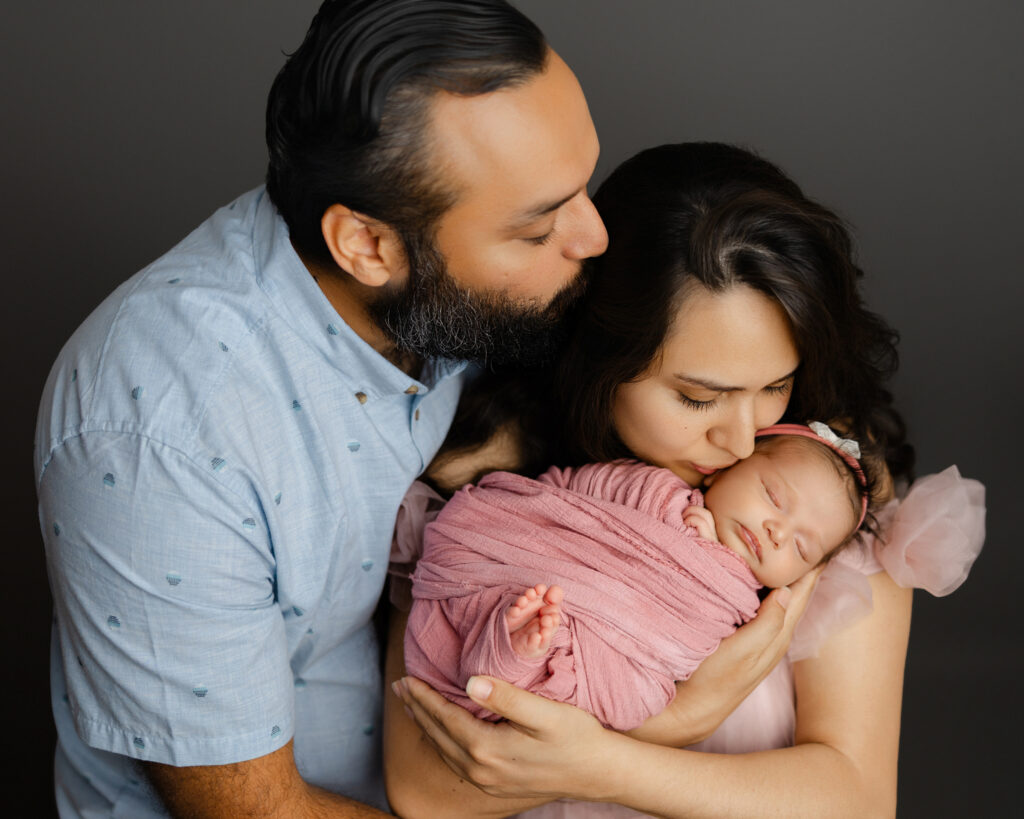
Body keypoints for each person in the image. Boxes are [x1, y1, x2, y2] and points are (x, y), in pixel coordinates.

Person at [33, 1, 609, 816]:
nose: (595, 236)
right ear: (367, 246)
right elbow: (255, 811)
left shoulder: (447, 288)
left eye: (582, 183)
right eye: (538, 226)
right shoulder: (158, 440)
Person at [386, 142, 985, 818]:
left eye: (775, 386)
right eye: (699, 399)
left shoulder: (819, 501)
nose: (738, 438)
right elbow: (423, 791)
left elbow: (856, 798)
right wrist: (678, 718)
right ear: (599, 356)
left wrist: (611, 761)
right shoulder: (495, 491)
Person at [399, 424, 875, 733]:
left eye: (800, 547)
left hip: (617, 656)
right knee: (530, 607)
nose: (777, 531)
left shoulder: (743, 612)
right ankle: (511, 648)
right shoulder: (652, 488)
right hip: (521, 571)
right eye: (773, 496)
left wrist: (705, 556)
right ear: (722, 471)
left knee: (634, 698)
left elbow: (685, 660)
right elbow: (568, 489)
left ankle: (512, 655)